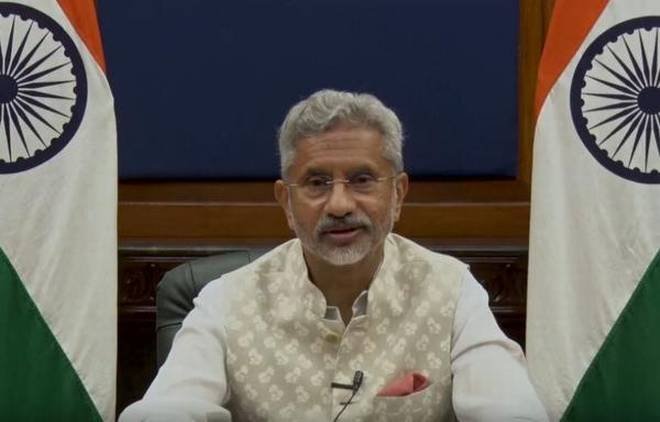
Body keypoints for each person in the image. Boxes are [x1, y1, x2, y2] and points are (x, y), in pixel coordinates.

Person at [120, 90, 547, 421]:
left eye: (362, 180)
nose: (340, 204)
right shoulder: (225, 301)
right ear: (286, 202)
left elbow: (509, 406)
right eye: (316, 183)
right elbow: (169, 408)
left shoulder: (451, 291)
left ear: (398, 194)